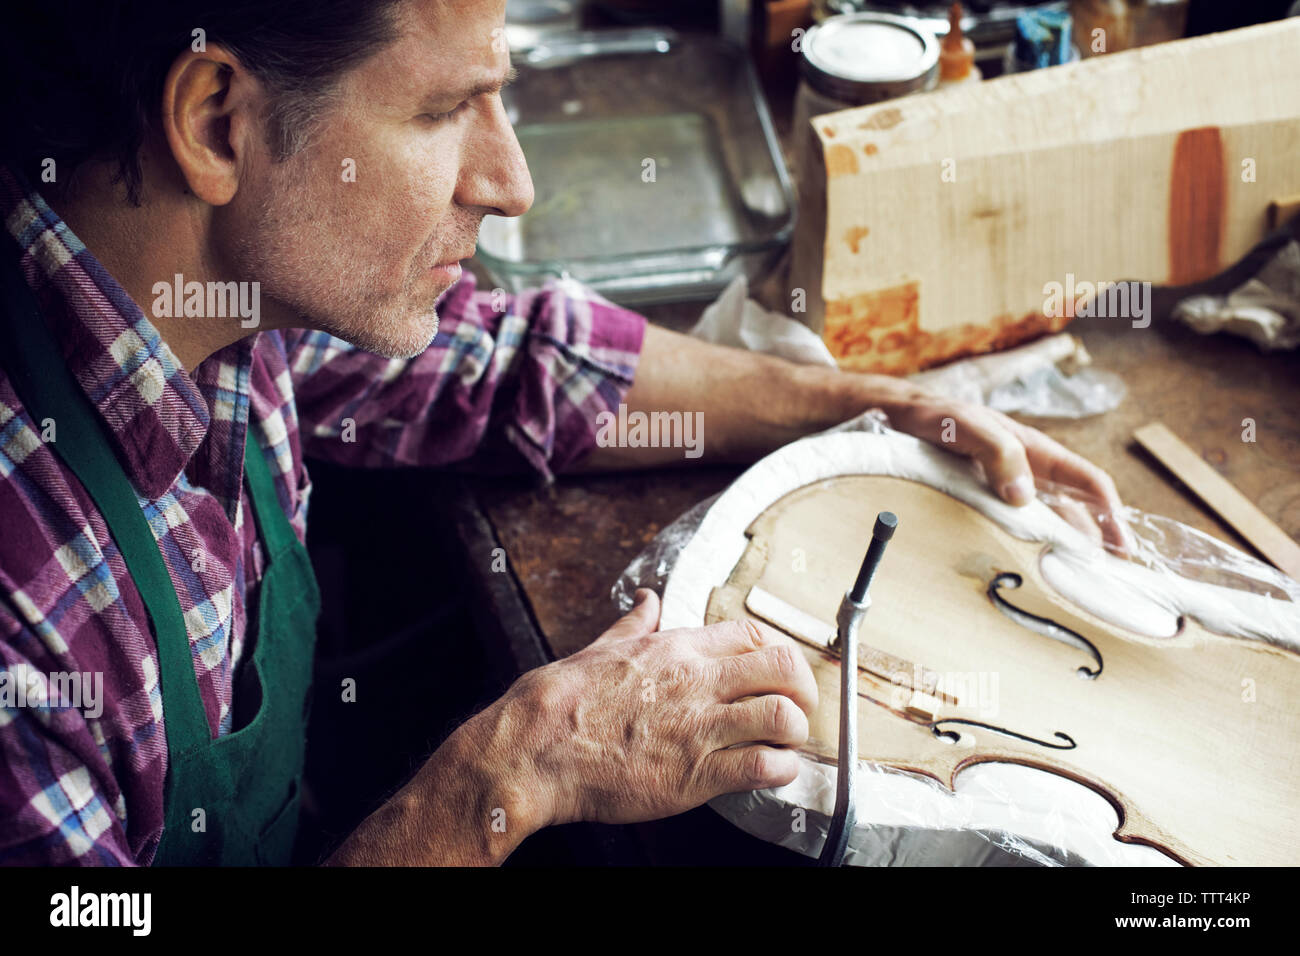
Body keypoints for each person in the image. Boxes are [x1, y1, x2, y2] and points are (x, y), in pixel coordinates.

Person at [0, 0, 1123, 865]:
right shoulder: (25, 618)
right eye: (447, 110)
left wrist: (871, 405)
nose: (511, 181)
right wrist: (503, 776)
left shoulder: (219, 305)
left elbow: (507, 368)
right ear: (217, 122)